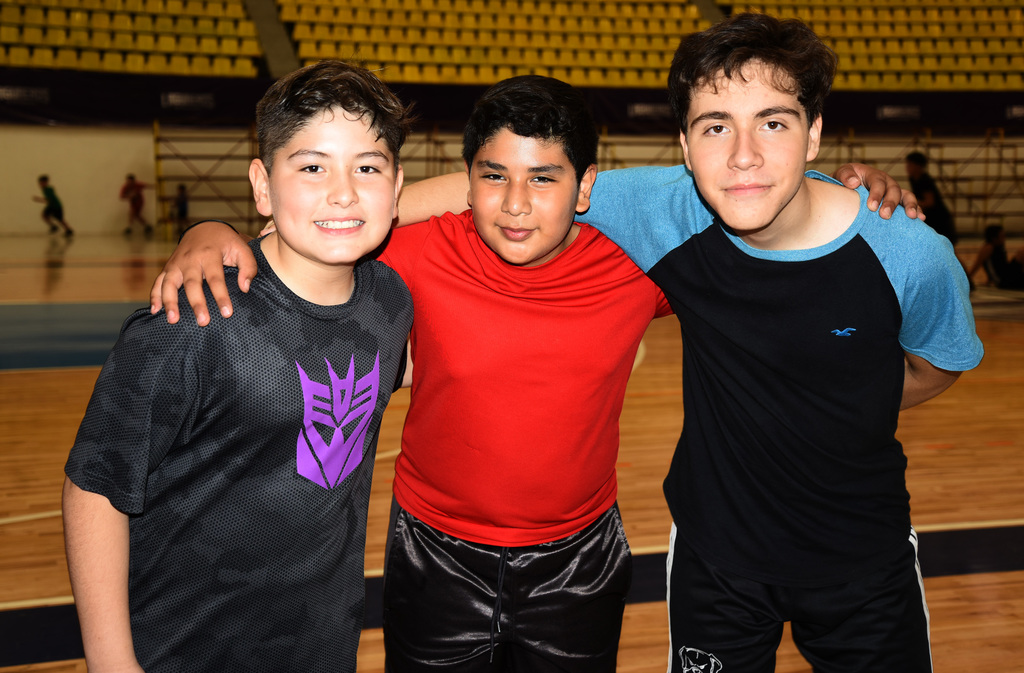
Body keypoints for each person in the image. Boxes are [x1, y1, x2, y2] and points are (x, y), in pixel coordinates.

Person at [149, 76, 915, 671]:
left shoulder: (638, 264)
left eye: (545, 179)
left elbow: (757, 207)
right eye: (495, 177)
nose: (516, 205)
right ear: (469, 178)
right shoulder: (413, 251)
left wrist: (844, 188)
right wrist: (210, 230)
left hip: (579, 561)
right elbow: (311, 230)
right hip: (432, 553)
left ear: (586, 188)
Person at [579, 14, 982, 671]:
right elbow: (512, 183)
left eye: (773, 122)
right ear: (685, 144)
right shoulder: (669, 210)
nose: (744, 154)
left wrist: (838, 401)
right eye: (716, 127)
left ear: (814, 133)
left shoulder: (910, 253)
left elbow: (937, 364)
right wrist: (384, 209)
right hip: (717, 559)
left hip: (865, 560)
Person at [62, 60, 414, 673]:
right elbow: (95, 487)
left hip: (323, 647)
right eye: (312, 167)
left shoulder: (390, 302)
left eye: (368, 167)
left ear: (397, 184)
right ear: (262, 185)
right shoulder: (195, 316)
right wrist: (111, 663)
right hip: (184, 650)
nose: (344, 192)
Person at [906, 150, 958, 245]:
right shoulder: (913, 179)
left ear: (918, 166)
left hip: (939, 220)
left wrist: (911, 203)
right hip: (930, 219)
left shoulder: (924, 180)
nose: (907, 167)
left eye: (910, 165)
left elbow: (930, 202)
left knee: (946, 247)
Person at [967, 223, 1024, 289]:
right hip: (1004, 280)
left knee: (1021, 252)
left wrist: (988, 280)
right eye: (1002, 236)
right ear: (994, 238)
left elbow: (996, 266)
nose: (1004, 239)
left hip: (1008, 275)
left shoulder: (999, 247)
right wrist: (966, 280)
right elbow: (977, 265)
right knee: (1022, 252)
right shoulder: (988, 248)